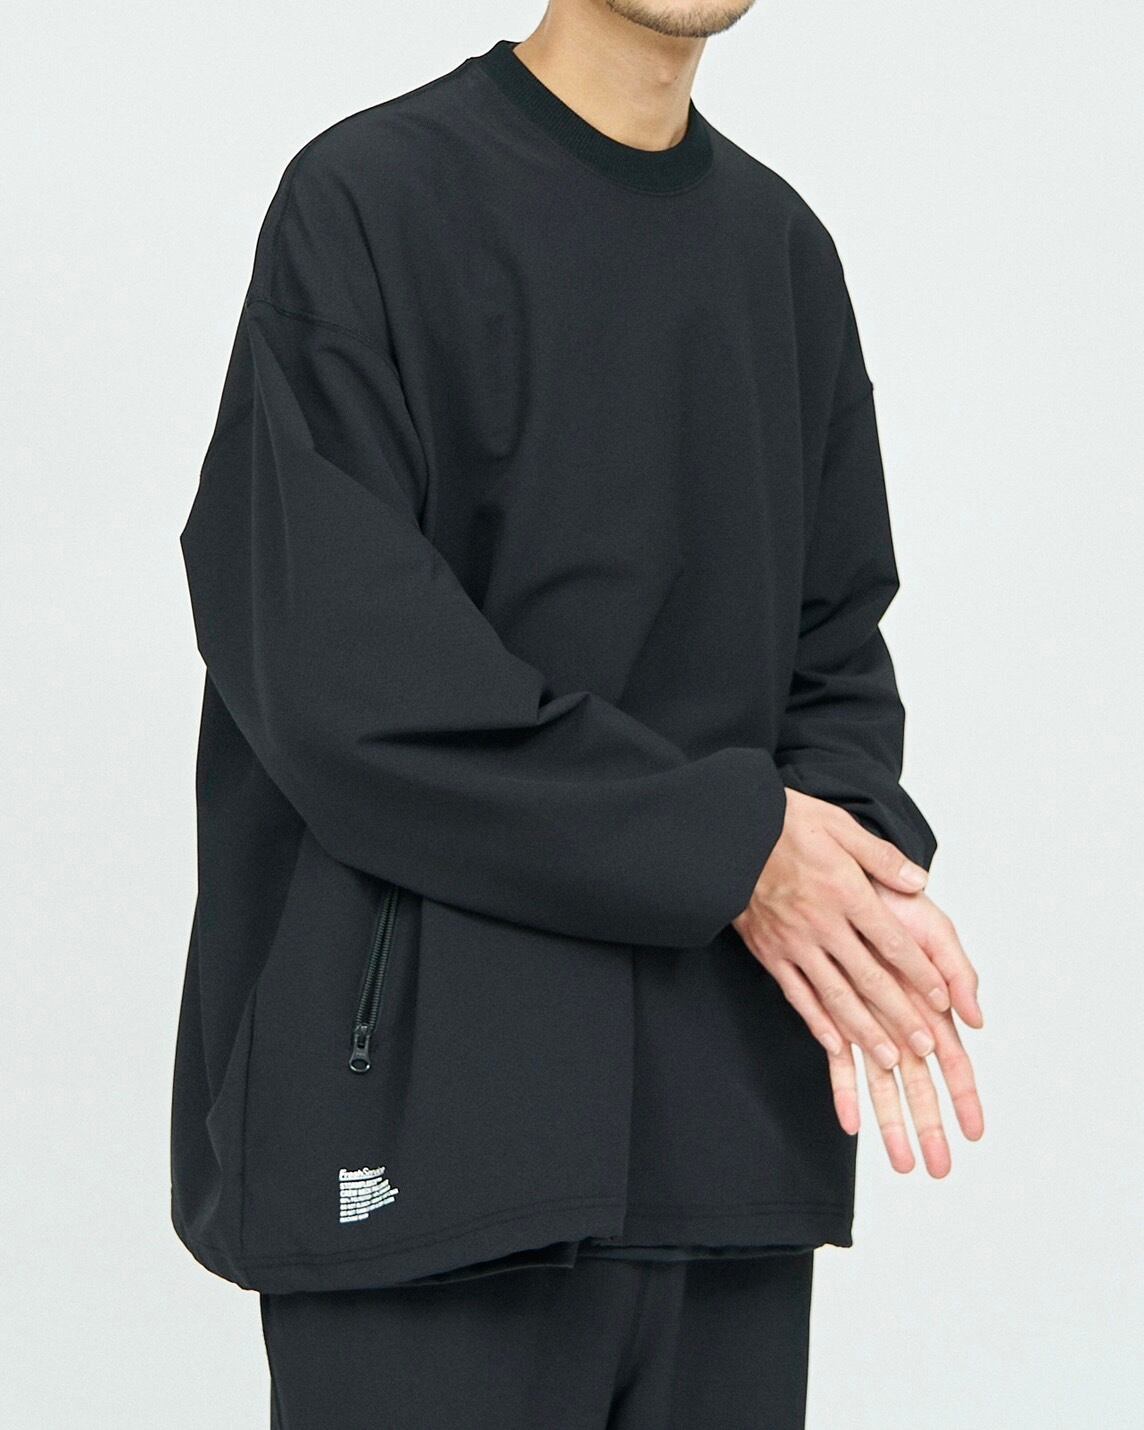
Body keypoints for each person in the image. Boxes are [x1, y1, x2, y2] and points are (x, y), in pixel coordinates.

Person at [172, 3, 985, 1425]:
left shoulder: (781, 255)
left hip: (724, 1148)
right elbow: (344, 681)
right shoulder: (369, 204)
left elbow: (838, 655)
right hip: (433, 1148)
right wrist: (738, 848)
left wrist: (849, 884)